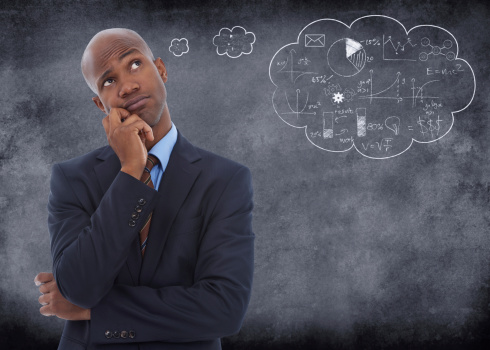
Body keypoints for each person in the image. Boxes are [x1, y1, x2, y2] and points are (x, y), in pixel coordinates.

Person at [34, 28, 254, 350]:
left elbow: (224, 309)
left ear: (161, 69)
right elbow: (78, 288)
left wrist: (96, 311)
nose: (127, 86)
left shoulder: (225, 180)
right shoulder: (71, 179)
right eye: (108, 81)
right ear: (100, 104)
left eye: (135, 64)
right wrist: (131, 172)